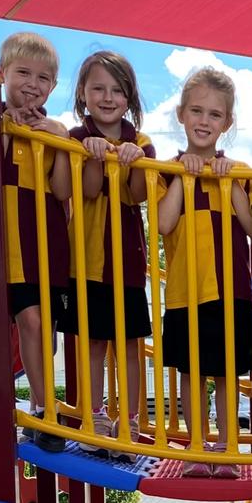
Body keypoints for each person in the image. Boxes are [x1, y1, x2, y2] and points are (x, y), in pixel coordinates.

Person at [0, 31, 71, 452]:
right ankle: (35, 409)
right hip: (4, 248)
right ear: (1, 74)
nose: (32, 83)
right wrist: (4, 126)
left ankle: (45, 407)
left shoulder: (52, 131)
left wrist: (58, 138)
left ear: (53, 87)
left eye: (43, 78)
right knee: (16, 326)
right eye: (23, 72)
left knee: (44, 326)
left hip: (45, 245)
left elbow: (62, 189)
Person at [155, 67, 252, 478]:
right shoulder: (167, 171)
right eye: (196, 111)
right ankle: (197, 447)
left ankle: (227, 446)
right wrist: (185, 175)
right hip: (186, 291)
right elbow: (163, 223)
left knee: (226, 372)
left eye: (214, 115)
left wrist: (230, 182)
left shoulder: (239, 171)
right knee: (191, 372)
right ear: (181, 114)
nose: (204, 121)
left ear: (226, 124)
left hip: (232, 290)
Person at [61, 51, 154, 460]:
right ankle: (95, 415)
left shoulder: (141, 141)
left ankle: (130, 420)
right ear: (83, 94)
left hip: (128, 261)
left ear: (129, 97)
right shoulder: (76, 138)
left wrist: (132, 162)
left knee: (130, 343)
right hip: (87, 260)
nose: (107, 96)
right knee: (95, 342)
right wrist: (96, 157)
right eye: (98, 88)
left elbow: (137, 194)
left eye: (117, 89)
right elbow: (89, 189)